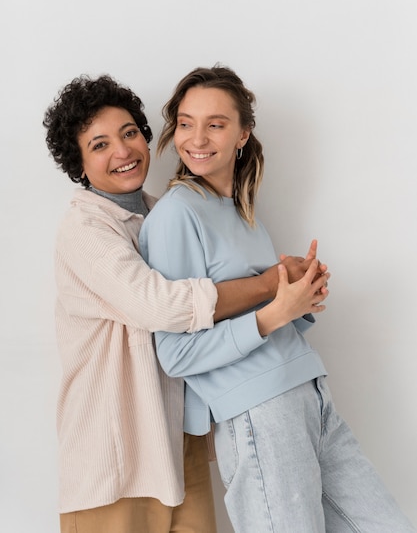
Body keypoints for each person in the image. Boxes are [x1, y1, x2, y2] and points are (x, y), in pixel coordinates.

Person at [43, 74, 327, 533]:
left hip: (179, 444)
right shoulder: (85, 230)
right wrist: (271, 285)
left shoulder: (164, 213)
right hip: (115, 457)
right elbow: (163, 306)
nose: (122, 151)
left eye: (129, 132)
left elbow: (210, 309)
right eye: (99, 144)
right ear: (78, 163)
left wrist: (294, 288)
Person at [139, 65, 416, 533]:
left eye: (216, 124)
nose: (197, 138)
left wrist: (301, 300)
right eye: (186, 123)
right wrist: (272, 315)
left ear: (243, 134)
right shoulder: (174, 217)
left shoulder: (243, 212)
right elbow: (176, 354)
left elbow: (265, 314)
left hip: (310, 396)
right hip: (258, 411)